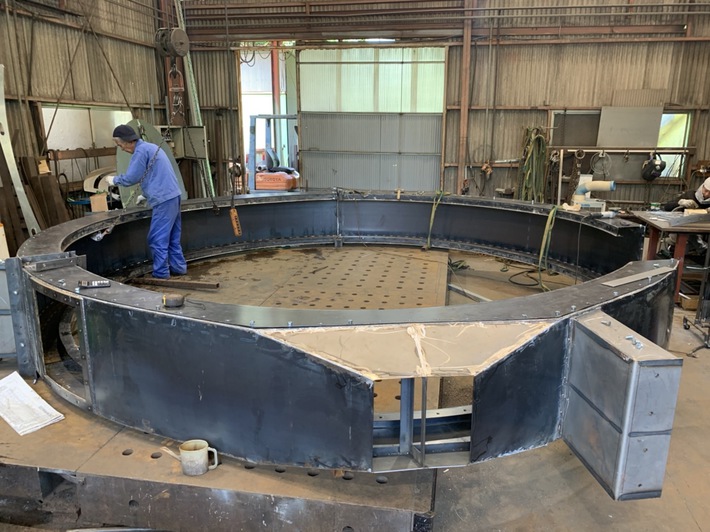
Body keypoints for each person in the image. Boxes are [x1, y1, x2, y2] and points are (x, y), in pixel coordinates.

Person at [106, 124, 187, 279]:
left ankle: (161, 274)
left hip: (163, 200)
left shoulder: (140, 152)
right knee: (172, 237)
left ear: (128, 141)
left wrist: (114, 180)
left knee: (157, 238)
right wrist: (145, 195)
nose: (121, 148)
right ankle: (178, 268)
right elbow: (155, 174)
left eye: (120, 144)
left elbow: (132, 177)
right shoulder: (151, 147)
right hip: (173, 196)